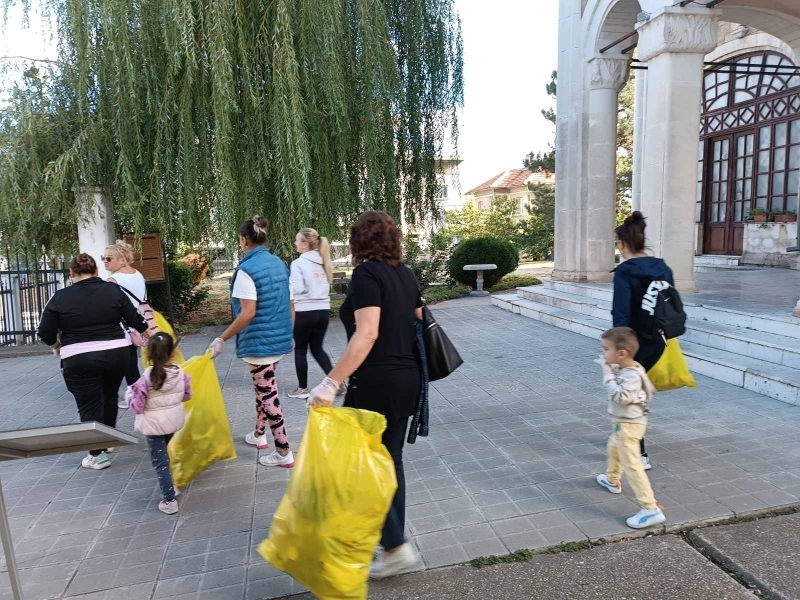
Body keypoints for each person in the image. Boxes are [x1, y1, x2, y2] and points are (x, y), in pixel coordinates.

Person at [309, 210, 423, 579]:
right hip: (408, 379)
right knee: (391, 460)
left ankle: (393, 545)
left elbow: (368, 333)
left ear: (359, 242)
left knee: (356, 465)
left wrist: (331, 382)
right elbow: (419, 317)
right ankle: (393, 546)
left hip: (376, 382)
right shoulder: (405, 274)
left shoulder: (366, 275)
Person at [38, 253, 149, 470]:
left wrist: (56, 344)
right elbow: (134, 319)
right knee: (109, 396)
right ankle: (107, 442)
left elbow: (45, 332)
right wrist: (151, 335)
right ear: (97, 271)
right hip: (118, 354)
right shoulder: (113, 290)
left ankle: (96, 455)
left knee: (89, 403)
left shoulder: (60, 297)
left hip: (80, 357)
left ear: (71, 273)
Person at [208, 215, 295, 468]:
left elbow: (247, 313)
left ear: (243, 241)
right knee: (264, 389)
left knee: (268, 394)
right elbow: (291, 303)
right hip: (277, 338)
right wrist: (290, 334)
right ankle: (258, 436)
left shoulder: (246, 270)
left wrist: (221, 338)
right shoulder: (279, 263)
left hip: (259, 343)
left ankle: (283, 452)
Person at [611, 211, 674, 471]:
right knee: (636, 396)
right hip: (657, 342)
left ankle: (638, 453)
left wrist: (617, 351)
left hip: (632, 344)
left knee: (628, 397)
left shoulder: (625, 272)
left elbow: (621, 314)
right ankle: (626, 441)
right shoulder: (663, 268)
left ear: (623, 244)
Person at [595, 327, 665, 529]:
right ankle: (612, 480)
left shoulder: (631, 375)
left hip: (628, 426)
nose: (603, 353)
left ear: (621, 353)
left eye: (606, 349)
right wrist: (613, 369)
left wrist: (607, 375)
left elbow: (622, 396)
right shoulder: (629, 368)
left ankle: (650, 509)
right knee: (613, 448)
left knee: (632, 465)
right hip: (624, 424)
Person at [126, 333, 191, 515]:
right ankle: (172, 486)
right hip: (173, 421)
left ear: (148, 354)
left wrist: (129, 396)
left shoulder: (146, 378)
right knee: (165, 455)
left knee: (160, 462)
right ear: (173, 353)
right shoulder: (181, 373)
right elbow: (187, 395)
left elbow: (137, 407)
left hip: (153, 426)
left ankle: (169, 500)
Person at [287, 228, 336, 399]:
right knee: (317, 348)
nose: (295, 243)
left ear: (305, 244)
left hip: (305, 311)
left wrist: (290, 285)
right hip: (323, 310)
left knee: (300, 350)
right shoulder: (323, 261)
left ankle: (302, 388)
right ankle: (337, 382)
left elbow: (299, 288)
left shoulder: (298, 263)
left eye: (297, 240)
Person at [103, 240, 148, 409]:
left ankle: (136, 395)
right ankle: (136, 393)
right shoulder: (137, 274)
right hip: (135, 323)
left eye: (109, 258)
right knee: (130, 362)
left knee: (127, 364)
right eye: (104, 258)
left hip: (121, 326)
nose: (105, 261)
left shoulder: (113, 279)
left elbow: (111, 305)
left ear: (122, 260)